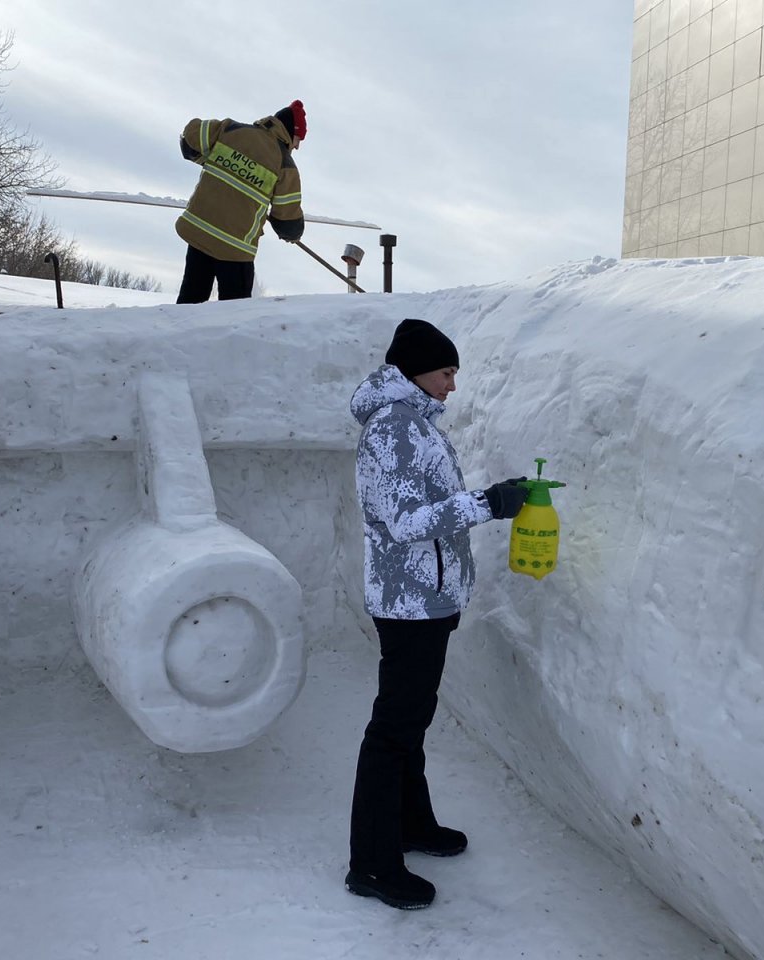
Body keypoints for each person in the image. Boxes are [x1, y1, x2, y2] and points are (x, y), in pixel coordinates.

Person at [345, 318, 529, 910]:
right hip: (408, 602)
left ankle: (411, 825)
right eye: (447, 372)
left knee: (412, 721)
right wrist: (488, 503)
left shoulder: (415, 423)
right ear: (417, 370)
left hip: (427, 597)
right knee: (393, 729)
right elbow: (404, 525)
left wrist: (488, 499)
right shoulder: (394, 429)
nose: (452, 385)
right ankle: (371, 865)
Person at [174, 100, 306, 303]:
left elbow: (190, 139)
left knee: (189, 302)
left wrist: (207, 159)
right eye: (298, 139)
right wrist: (292, 234)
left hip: (200, 232)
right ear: (291, 132)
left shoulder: (231, 129)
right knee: (235, 314)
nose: (296, 146)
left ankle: (177, 334)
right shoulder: (284, 164)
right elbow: (287, 221)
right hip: (235, 248)